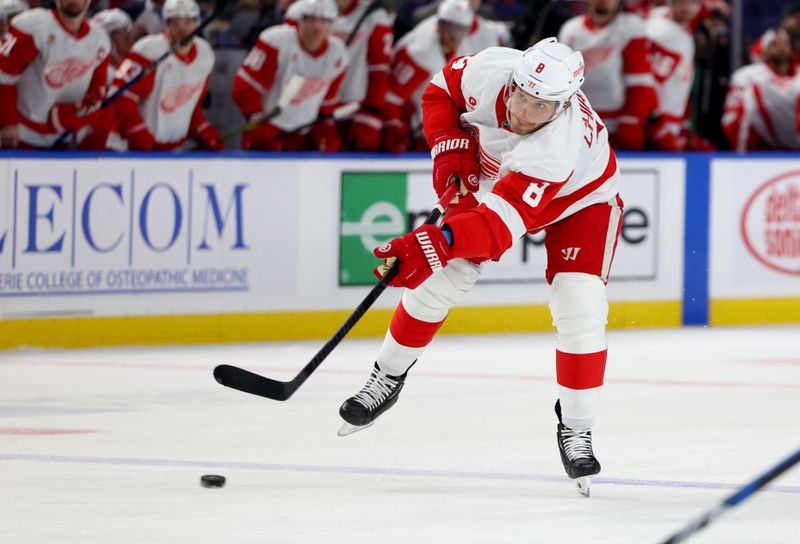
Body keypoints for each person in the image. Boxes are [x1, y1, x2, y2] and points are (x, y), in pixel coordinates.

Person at [338, 38, 622, 498]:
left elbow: (495, 228)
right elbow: (439, 90)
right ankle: (386, 378)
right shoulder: (491, 68)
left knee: (580, 307)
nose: (524, 114)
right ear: (512, 82)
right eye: (521, 97)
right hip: (501, 180)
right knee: (440, 282)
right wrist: (451, 152)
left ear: (563, 105)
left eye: (540, 107)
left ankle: (577, 427)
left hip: (581, 200)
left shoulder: (555, 148)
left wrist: (430, 242)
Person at [101, 0, 221, 151]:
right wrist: (136, 130)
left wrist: (203, 130)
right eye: (175, 23)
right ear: (166, 25)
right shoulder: (148, 50)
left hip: (171, 152)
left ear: (197, 23)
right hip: (127, 149)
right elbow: (119, 96)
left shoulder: (205, 55)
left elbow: (189, 104)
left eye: (188, 22)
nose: (182, 29)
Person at [232, 0, 349, 151]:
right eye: (310, 18)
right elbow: (245, 86)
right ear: (299, 20)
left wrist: (324, 130)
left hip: (302, 136)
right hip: (269, 129)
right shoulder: (276, 41)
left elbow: (327, 102)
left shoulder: (339, 54)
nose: (317, 26)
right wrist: (256, 119)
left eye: (324, 20)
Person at [0, 0, 110, 149]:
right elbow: (4, 75)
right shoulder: (36, 26)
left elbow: (98, 86)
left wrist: (85, 108)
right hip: (22, 135)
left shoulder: (100, 39)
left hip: (63, 137)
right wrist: (7, 122)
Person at [558, 0, 657, 150]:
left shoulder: (631, 27)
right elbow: (562, 81)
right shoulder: (570, 29)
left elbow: (641, 81)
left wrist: (631, 119)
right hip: (578, 121)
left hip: (616, 125)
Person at [383, 0, 473, 153]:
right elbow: (393, 97)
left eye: (460, 29)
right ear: (440, 26)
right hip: (412, 129)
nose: (455, 35)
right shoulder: (419, 52)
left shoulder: (464, 47)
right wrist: (395, 127)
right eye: (450, 27)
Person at [722, 28, 800, 151]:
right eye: (774, 44)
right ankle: (741, 157)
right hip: (760, 146)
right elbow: (731, 118)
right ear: (764, 50)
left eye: (784, 44)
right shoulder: (747, 76)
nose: (781, 48)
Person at [330, 0, 393, 151]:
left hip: (353, 111)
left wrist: (371, 114)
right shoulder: (306, 11)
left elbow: (379, 69)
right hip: (314, 110)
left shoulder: (375, 16)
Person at [645, 0, 700, 151]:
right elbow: (650, 81)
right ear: (672, 3)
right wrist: (656, 121)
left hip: (670, 114)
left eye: (692, 3)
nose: (687, 7)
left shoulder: (660, 16)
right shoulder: (667, 35)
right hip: (659, 118)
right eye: (682, 2)